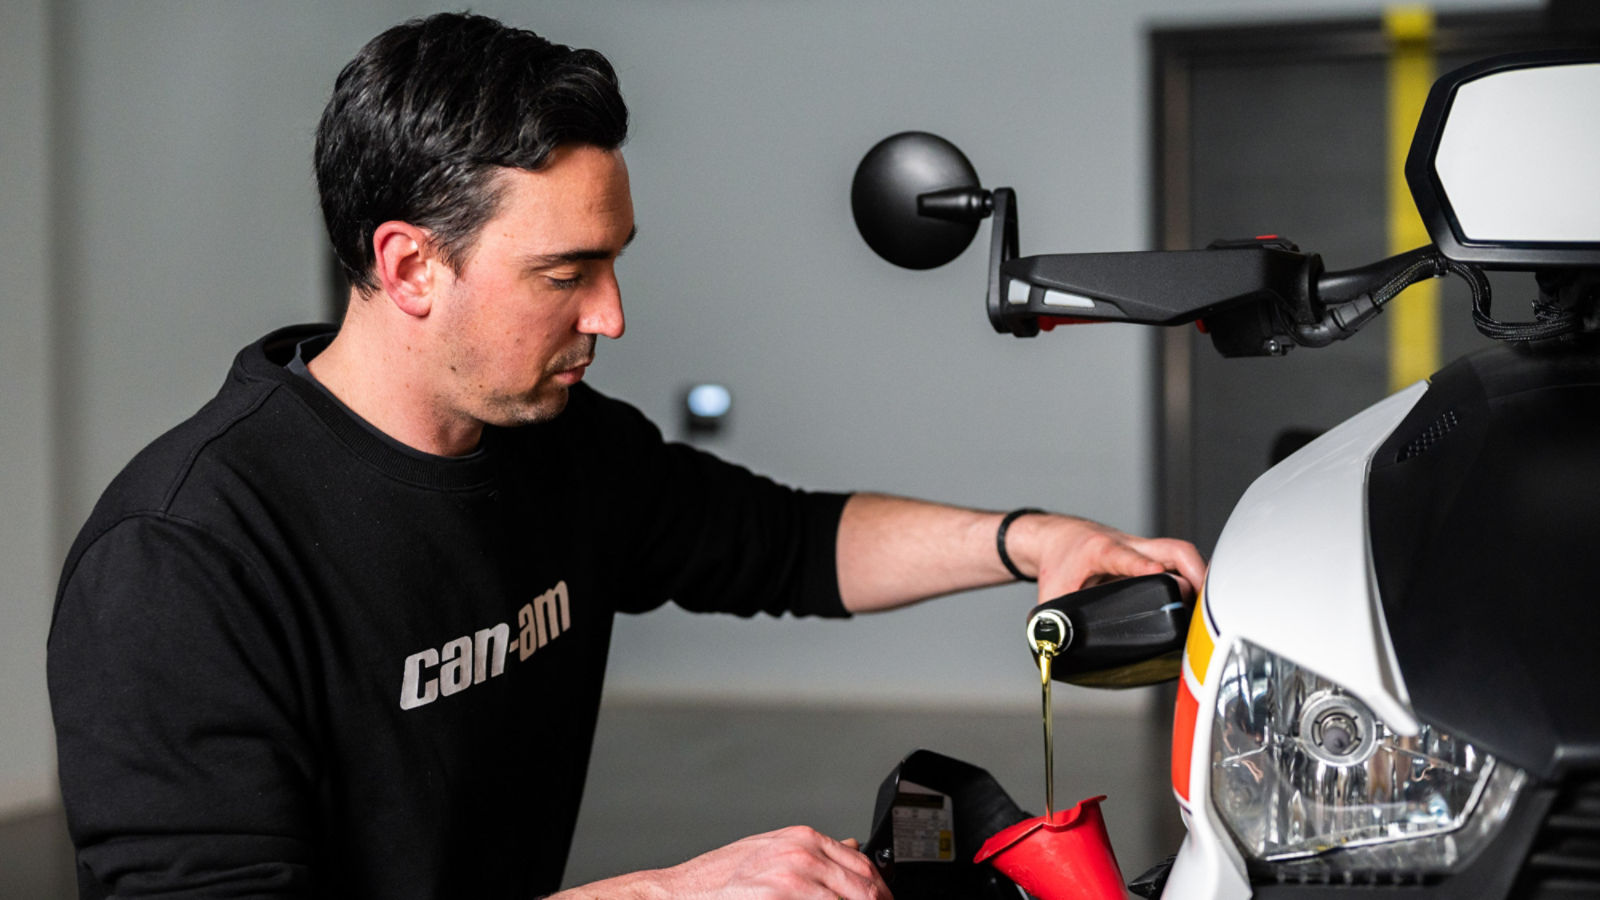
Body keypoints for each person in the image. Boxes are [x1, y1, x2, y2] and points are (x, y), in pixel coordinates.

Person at [46, 12, 1204, 899]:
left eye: (614, 262)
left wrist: (1032, 539)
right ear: (409, 269)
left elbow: (789, 544)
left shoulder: (561, 451)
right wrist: (668, 891)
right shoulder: (182, 560)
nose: (611, 316)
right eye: (566, 274)